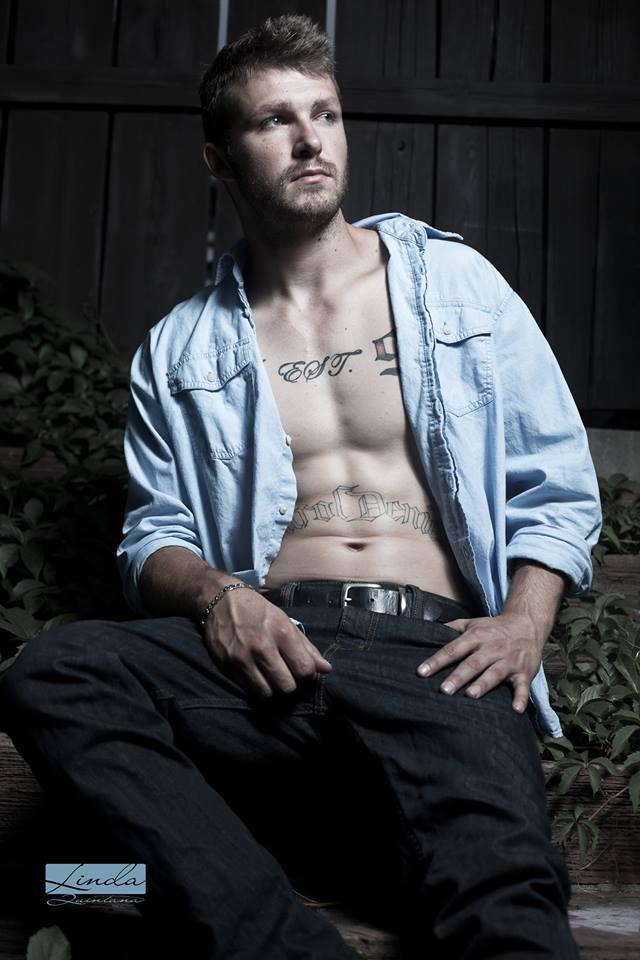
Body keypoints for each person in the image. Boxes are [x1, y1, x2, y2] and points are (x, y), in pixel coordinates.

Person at [0, 14, 601, 960]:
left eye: (325, 113)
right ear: (220, 159)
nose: (311, 139)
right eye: (275, 120)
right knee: (55, 675)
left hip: (437, 659)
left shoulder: (458, 285)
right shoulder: (180, 347)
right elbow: (151, 537)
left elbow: (556, 484)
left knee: (509, 901)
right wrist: (220, 598)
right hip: (272, 663)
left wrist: (524, 623)